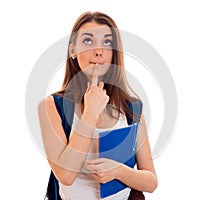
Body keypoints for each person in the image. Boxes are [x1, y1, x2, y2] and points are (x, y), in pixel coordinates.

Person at [38, 11, 157, 200]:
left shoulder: (131, 108)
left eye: (107, 43)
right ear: (72, 50)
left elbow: (151, 181)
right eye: (88, 41)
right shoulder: (52, 107)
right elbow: (66, 176)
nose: (98, 51)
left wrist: (119, 171)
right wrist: (90, 113)